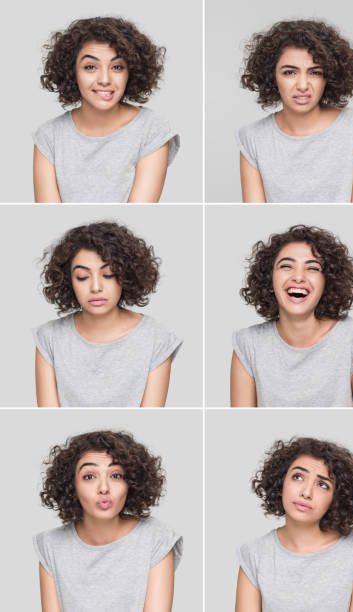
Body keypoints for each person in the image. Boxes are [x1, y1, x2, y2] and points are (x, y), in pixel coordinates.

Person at [231, 225, 353, 406]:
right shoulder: (248, 345)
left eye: (312, 268)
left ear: (327, 282)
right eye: (286, 266)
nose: (298, 277)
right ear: (270, 281)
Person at [33, 222, 182, 407]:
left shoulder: (157, 339)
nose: (96, 287)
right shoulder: (49, 338)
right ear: (68, 280)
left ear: (126, 276)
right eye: (82, 277)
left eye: (109, 274)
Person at [34, 17, 179, 202]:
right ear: (72, 72)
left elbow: (139, 211)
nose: (104, 79)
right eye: (90, 67)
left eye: (117, 67)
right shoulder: (49, 137)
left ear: (131, 72)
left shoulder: (152, 130)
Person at [34, 430, 182, 612]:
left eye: (116, 475)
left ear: (131, 483)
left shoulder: (156, 539)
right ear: (72, 486)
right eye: (89, 476)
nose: (104, 488)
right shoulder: (51, 546)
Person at [238, 20, 353, 202]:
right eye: (290, 73)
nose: (303, 85)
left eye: (314, 72)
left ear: (328, 76)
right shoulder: (252, 139)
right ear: (272, 76)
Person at [236, 437, 353, 612]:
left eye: (322, 485)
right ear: (281, 482)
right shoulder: (254, 556)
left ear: (336, 498)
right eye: (298, 477)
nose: (306, 492)